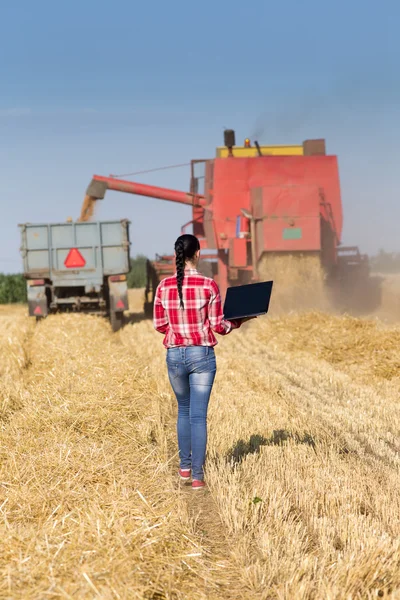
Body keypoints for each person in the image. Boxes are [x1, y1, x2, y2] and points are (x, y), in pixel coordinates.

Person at [153, 234, 253, 490]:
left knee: (183, 412)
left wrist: (178, 332)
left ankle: (184, 468)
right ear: (197, 253)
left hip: (175, 355)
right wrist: (239, 321)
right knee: (198, 417)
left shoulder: (163, 287)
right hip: (201, 355)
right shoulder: (209, 285)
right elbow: (219, 325)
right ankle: (198, 477)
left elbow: (159, 324)